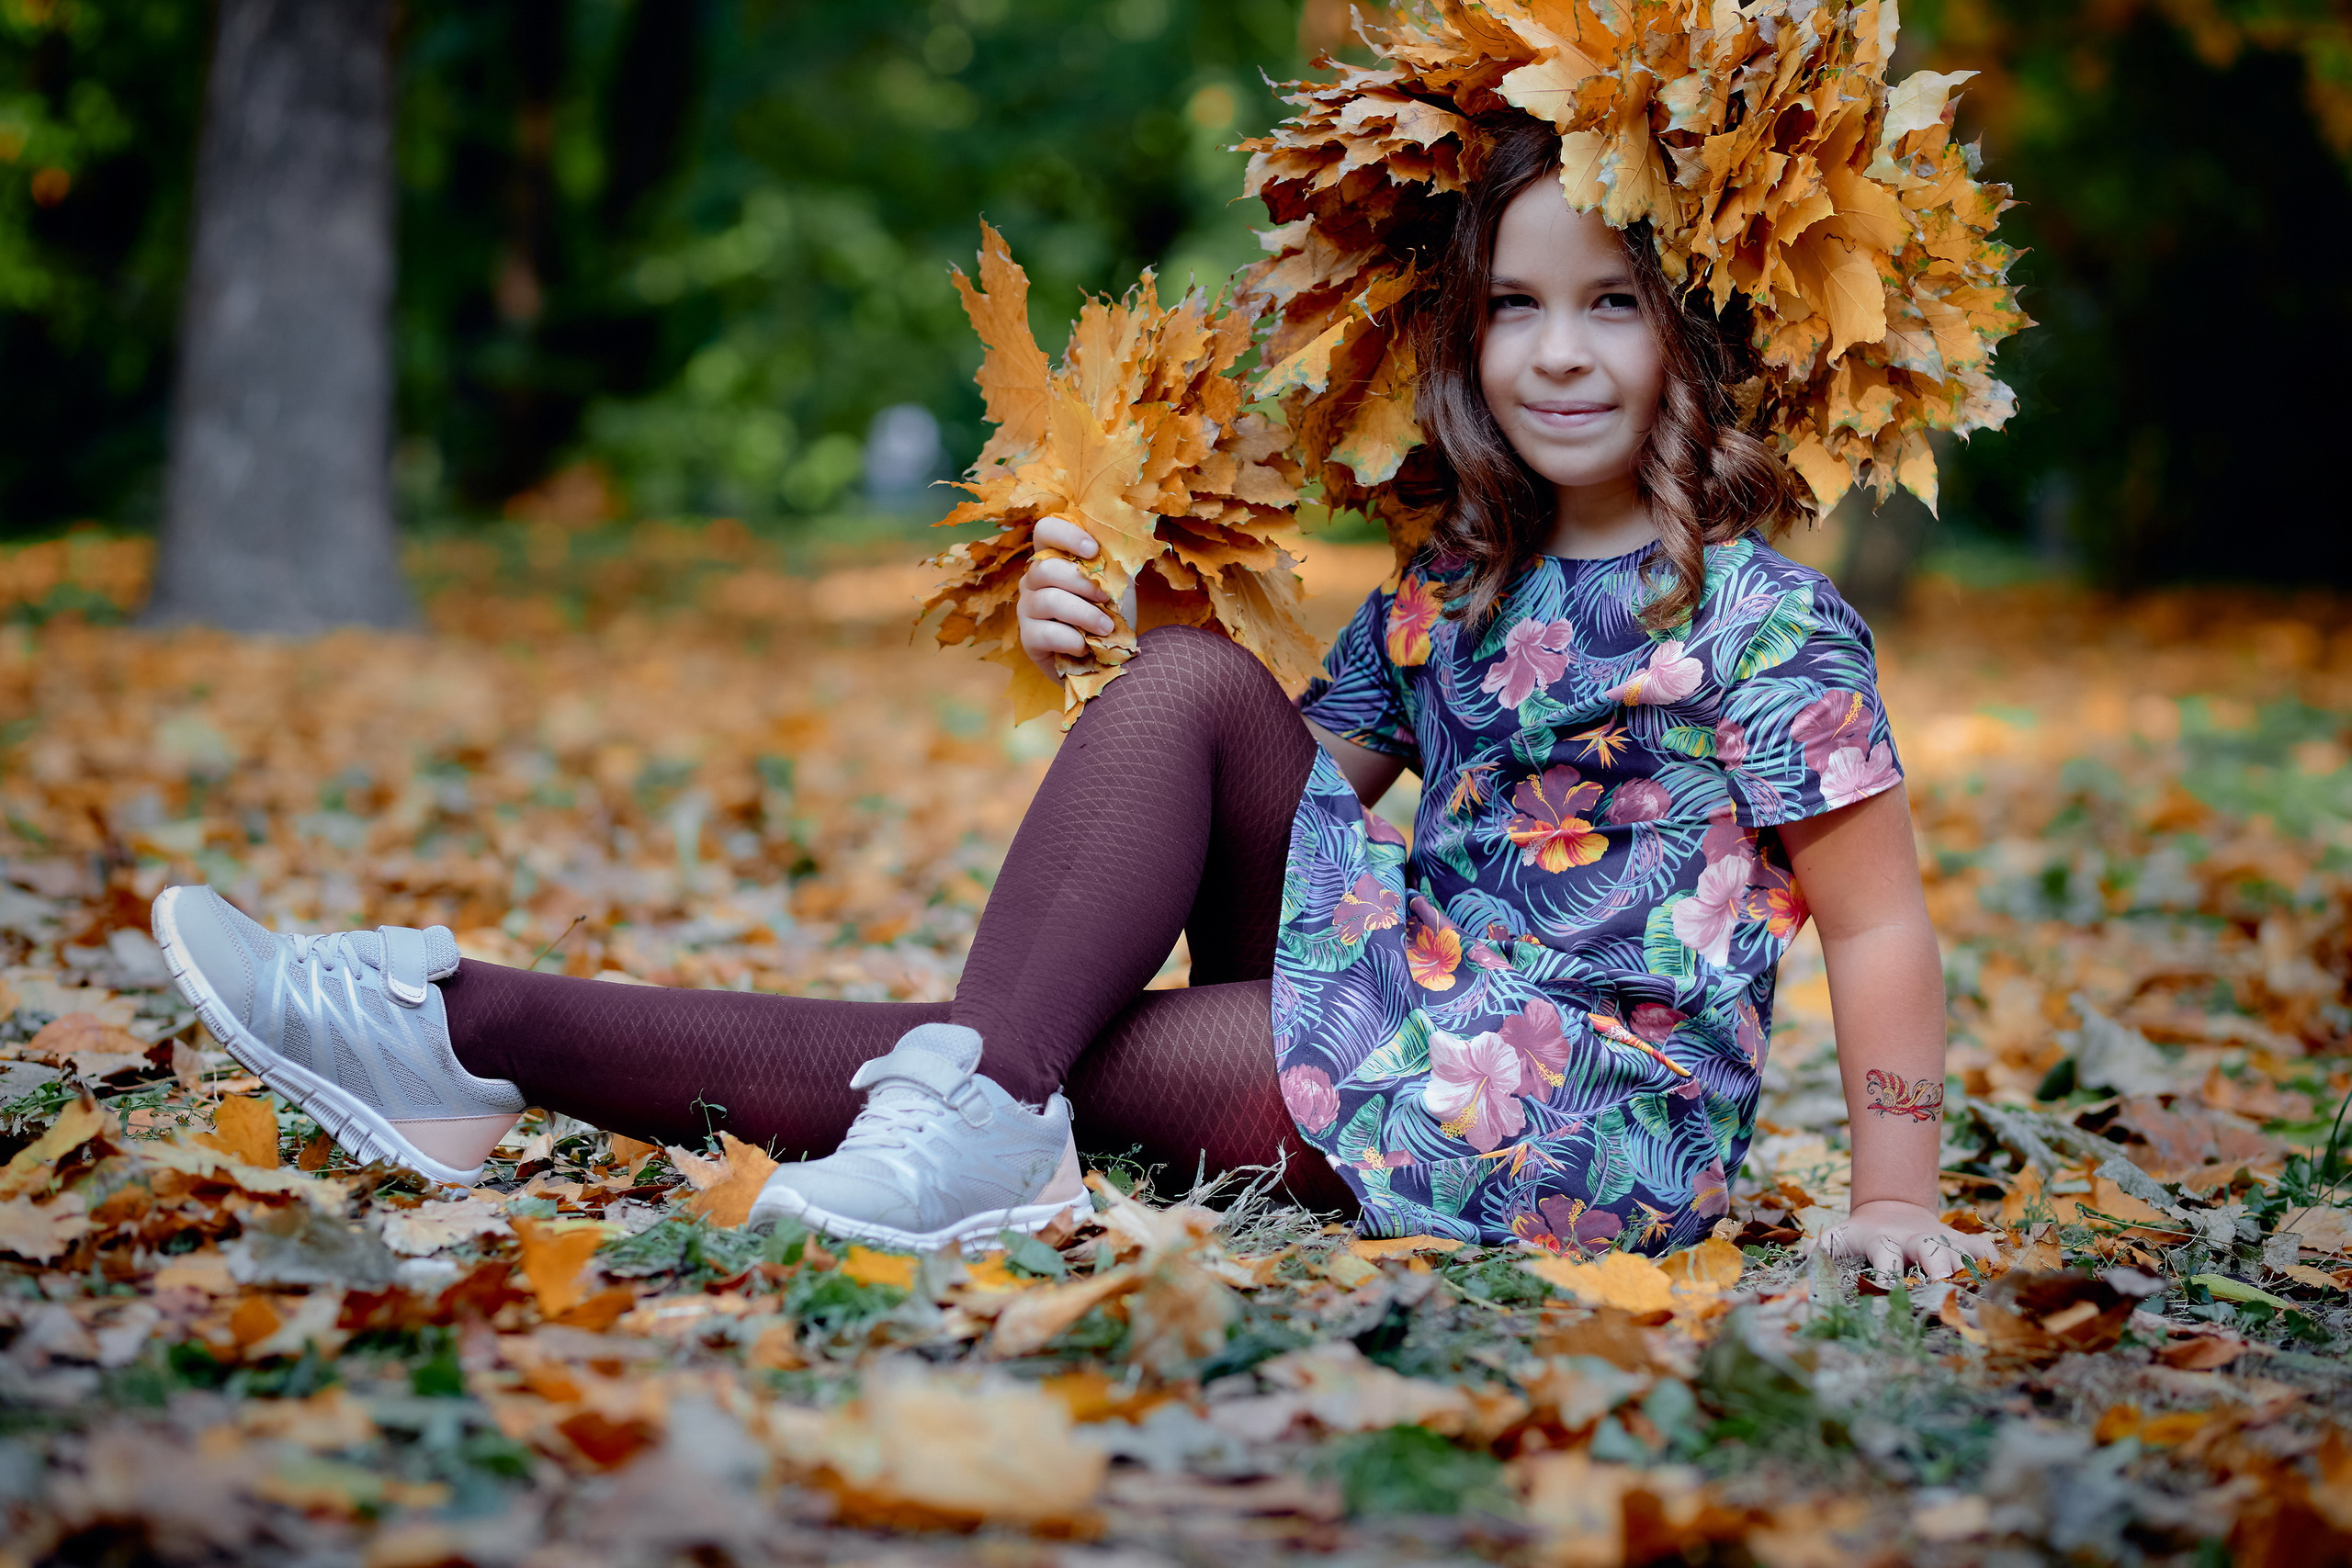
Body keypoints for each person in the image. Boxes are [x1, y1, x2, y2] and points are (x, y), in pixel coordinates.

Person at [148, 103, 2002, 1279]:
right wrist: (1094, 648)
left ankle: (467, 1024)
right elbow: (1265, 793)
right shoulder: (1450, 585)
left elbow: (1881, 922)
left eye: (1610, 301)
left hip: (1584, 1108)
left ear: (1703, 328)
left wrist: (1895, 1193)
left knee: (1018, 1061)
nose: (1555, 350)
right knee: (1181, 694)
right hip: (1406, 1001)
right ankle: (481, 1033)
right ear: (1459, 335)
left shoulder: (1763, 622)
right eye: (1512, 306)